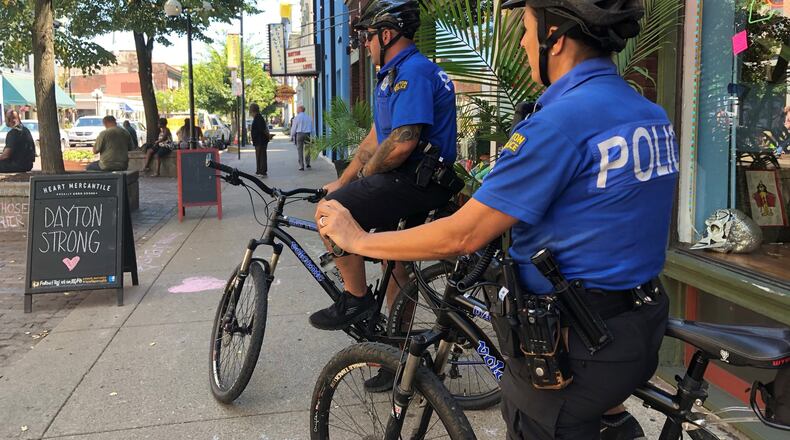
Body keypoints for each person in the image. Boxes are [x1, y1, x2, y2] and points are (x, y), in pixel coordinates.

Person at [315, 0, 677, 439]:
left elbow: (462, 234)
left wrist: (356, 239)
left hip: (574, 346)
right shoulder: (649, 115)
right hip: (637, 325)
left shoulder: (560, 122)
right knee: (604, 420)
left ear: (554, 38)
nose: (523, 42)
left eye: (525, 30)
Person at [309, 0, 460, 342]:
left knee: (328, 215)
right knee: (393, 262)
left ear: (387, 34)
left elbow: (402, 143)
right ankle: (399, 348)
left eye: (368, 36)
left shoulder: (413, 72)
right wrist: (342, 181)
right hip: (410, 178)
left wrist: (359, 183)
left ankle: (356, 299)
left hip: (416, 180)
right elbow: (374, 140)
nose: (365, 43)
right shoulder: (391, 75)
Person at [250, 103, 271, 176]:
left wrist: (268, 136)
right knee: (260, 156)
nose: (251, 114)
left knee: (261, 156)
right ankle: (259, 170)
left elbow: (262, 129)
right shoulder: (258, 117)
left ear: (253, 111)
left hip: (260, 141)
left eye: (251, 111)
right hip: (259, 140)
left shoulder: (258, 118)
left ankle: (262, 171)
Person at [290, 105, 313, 170]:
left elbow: (294, 127)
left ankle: (301, 166)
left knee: (300, 150)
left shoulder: (297, 117)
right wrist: (313, 136)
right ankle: (308, 163)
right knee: (307, 149)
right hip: (307, 134)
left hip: (299, 134)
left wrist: (291, 136)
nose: (296, 110)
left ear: (300, 110)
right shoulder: (308, 117)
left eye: (297, 109)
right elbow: (311, 127)